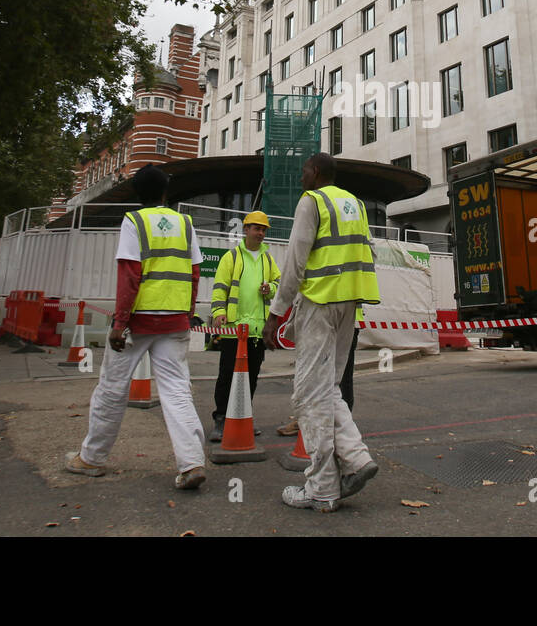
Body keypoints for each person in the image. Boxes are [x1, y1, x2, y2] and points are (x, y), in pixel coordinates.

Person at [65, 165, 208, 490]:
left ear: (138, 193)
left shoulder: (134, 221)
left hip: (139, 321)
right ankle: (192, 463)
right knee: (176, 389)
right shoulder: (185, 223)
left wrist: (120, 323)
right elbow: (195, 271)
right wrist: (187, 312)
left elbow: (130, 273)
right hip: (174, 320)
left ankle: (91, 459)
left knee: (113, 388)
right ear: (164, 192)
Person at [263, 152, 379, 512]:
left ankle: (322, 489)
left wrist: (276, 313)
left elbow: (296, 259)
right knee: (327, 387)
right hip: (350, 302)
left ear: (315, 172)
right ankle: (356, 459)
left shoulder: (312, 201)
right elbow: (367, 250)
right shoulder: (355, 204)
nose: (301, 178)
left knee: (308, 395)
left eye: (303, 172)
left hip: (319, 300)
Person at [209, 211, 281, 442]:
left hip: (257, 330)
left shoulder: (268, 259)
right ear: (246, 229)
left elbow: (278, 284)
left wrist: (269, 287)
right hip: (234, 329)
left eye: (263, 230)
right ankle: (221, 419)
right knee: (227, 376)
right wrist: (219, 312)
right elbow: (220, 287)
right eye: (256, 228)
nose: (260, 233)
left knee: (250, 378)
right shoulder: (231, 257)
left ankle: (242, 418)